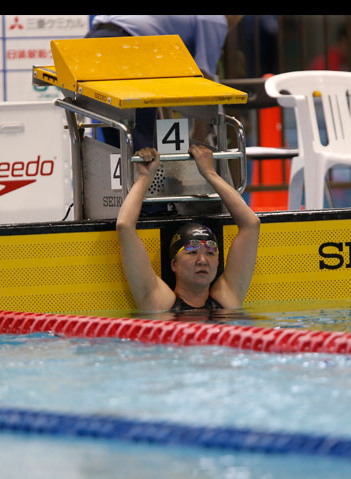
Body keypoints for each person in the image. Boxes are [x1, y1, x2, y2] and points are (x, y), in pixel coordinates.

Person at [116, 144, 260, 312]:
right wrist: (144, 177)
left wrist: (209, 172)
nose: (202, 260)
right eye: (192, 252)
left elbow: (251, 224)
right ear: (174, 264)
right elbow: (125, 226)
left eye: (210, 253)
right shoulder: (159, 303)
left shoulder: (226, 299)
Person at [85, 15, 243, 150]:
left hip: (93, 43)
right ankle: (147, 183)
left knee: (115, 127)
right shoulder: (215, 20)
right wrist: (199, 135)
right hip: (128, 47)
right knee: (144, 146)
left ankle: (125, 185)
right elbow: (205, 79)